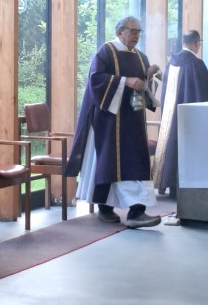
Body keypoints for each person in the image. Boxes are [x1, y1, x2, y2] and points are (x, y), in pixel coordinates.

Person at [66, 16, 162, 228]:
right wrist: (125, 81)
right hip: (110, 120)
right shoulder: (106, 52)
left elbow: (143, 89)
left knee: (136, 162)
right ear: (119, 32)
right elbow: (96, 80)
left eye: (139, 32)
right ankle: (107, 208)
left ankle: (137, 212)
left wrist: (148, 76)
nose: (136, 36)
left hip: (133, 121)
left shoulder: (141, 57)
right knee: (110, 162)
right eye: (132, 31)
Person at [152, 30, 208, 195]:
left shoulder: (171, 62)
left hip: (171, 115)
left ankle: (168, 183)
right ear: (197, 43)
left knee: (172, 143)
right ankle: (185, 186)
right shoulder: (196, 64)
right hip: (189, 118)